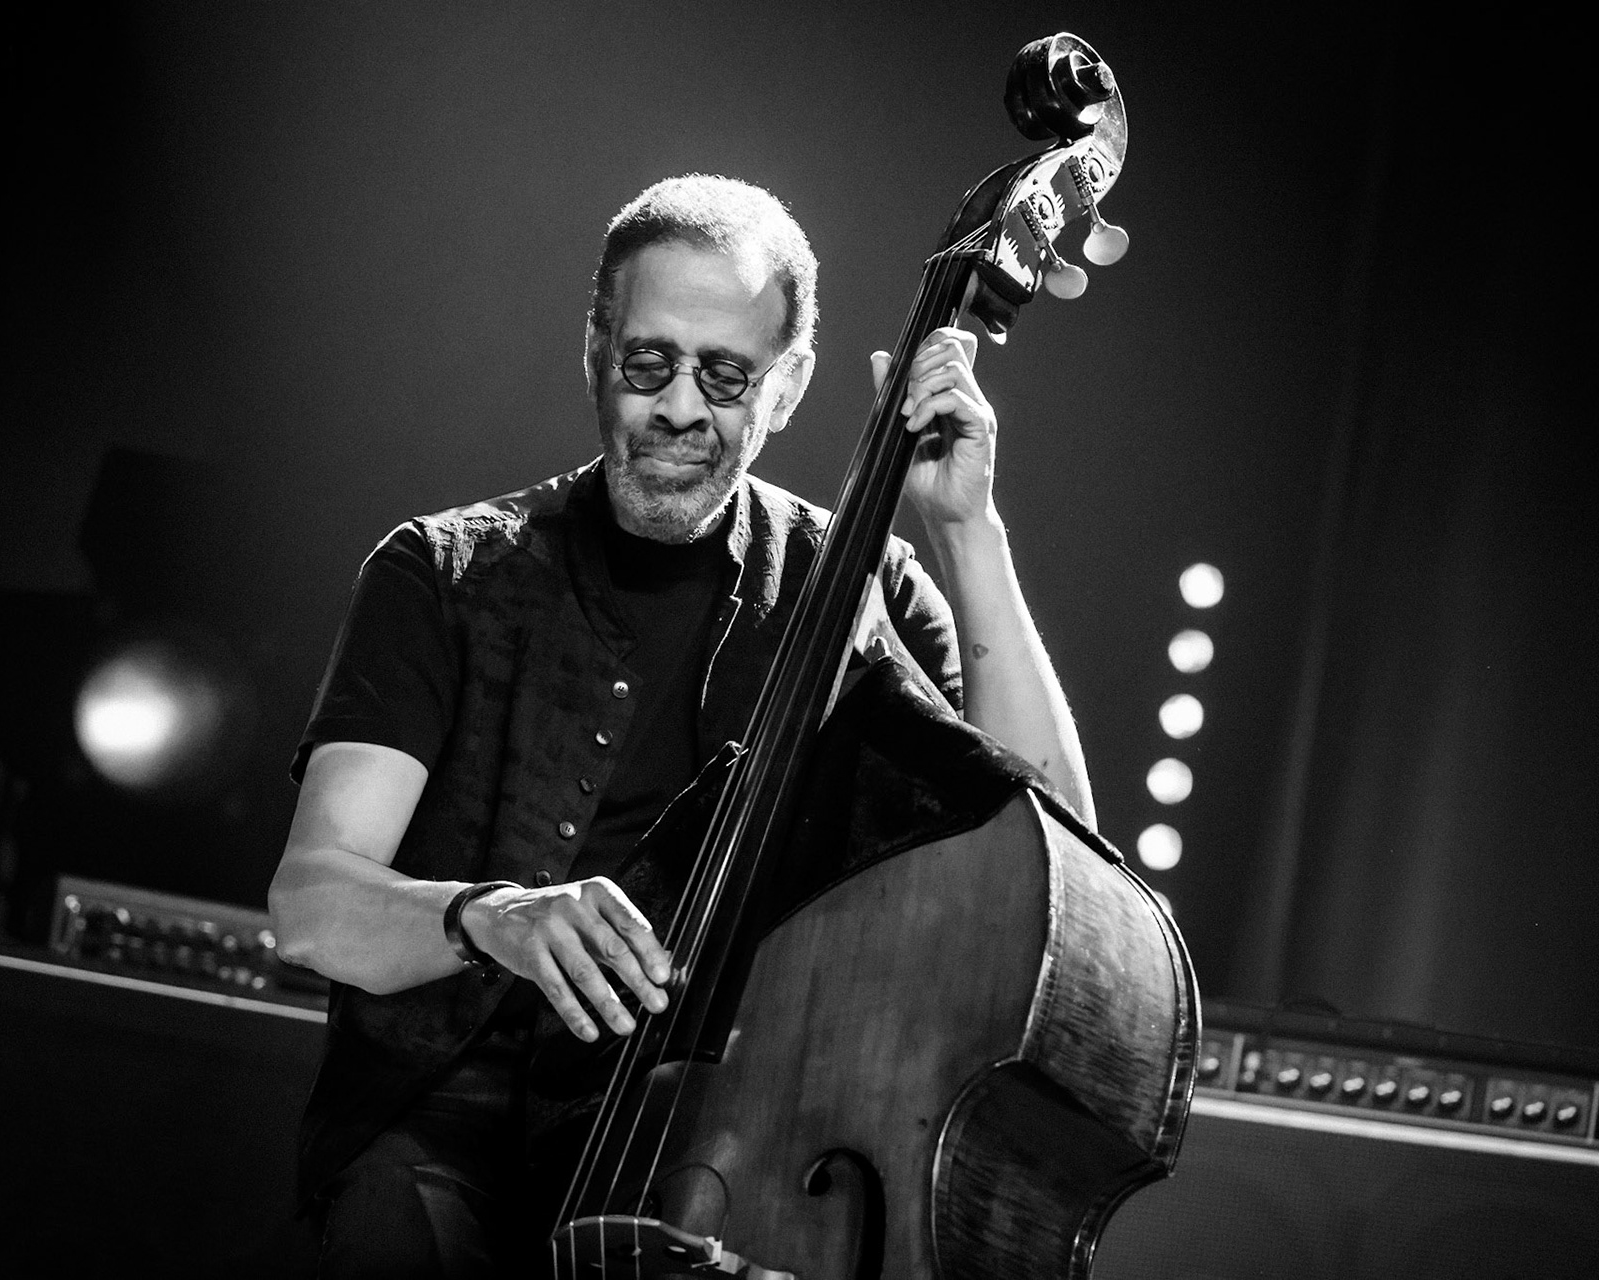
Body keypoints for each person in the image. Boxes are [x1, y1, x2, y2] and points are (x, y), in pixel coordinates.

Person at [268, 174, 1095, 1277]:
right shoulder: (444, 573)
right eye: (647, 362)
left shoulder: (863, 594)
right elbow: (312, 905)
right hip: (444, 1133)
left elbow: (1055, 853)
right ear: (597, 351)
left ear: (790, 387)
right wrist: (494, 916)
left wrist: (968, 529)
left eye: (726, 374)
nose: (679, 407)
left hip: (714, 1151)